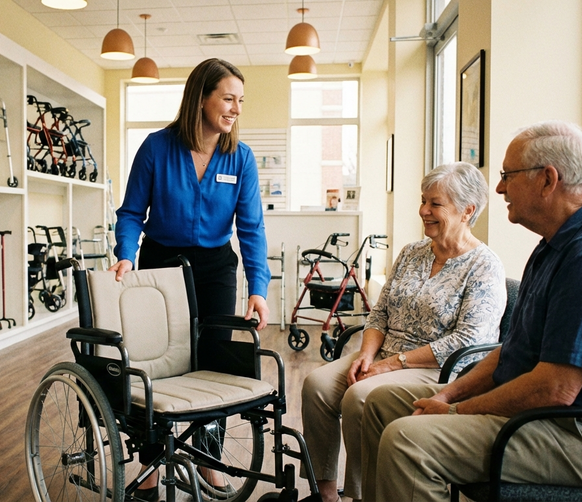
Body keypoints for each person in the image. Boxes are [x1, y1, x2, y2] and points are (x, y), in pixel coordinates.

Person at [360, 121, 582, 501]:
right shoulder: (554, 245)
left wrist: (457, 413)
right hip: (547, 415)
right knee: (381, 403)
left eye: (507, 175)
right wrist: (448, 395)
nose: (500, 188)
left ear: (547, 180)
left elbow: (556, 389)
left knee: (408, 440)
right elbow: (513, 349)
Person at [109, 58, 271, 501]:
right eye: (228, 98)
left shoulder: (240, 157)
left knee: (214, 363)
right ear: (201, 98)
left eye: (241, 100)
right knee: (160, 364)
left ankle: (208, 459)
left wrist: (258, 288)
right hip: (162, 264)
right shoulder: (157, 147)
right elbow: (130, 213)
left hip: (216, 268)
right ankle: (150, 467)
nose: (236, 108)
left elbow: (251, 228)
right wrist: (125, 256)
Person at [301, 162, 506, 502]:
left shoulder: (484, 265)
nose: (424, 210)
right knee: (317, 386)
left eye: (435, 203)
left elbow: (468, 339)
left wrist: (392, 363)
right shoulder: (412, 253)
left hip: (435, 368)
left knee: (359, 395)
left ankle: (363, 495)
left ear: (467, 210)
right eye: (423, 201)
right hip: (385, 353)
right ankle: (326, 495)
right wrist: (367, 354)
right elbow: (380, 312)